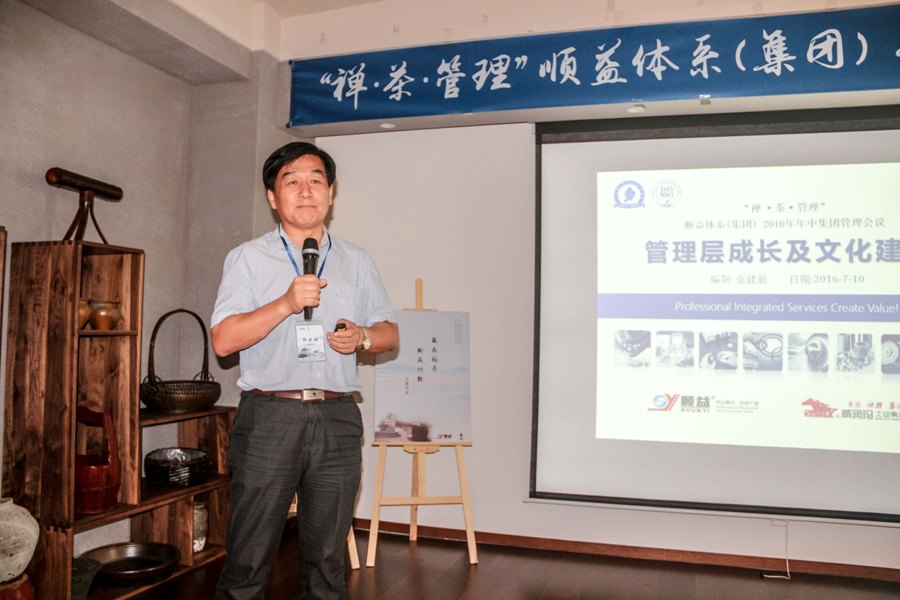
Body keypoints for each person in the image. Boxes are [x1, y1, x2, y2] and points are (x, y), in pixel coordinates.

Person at [211, 141, 398, 599]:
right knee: (249, 556)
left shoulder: (357, 260)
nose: (305, 190)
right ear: (272, 197)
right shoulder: (248, 258)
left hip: (337, 417)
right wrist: (286, 303)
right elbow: (223, 341)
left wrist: (363, 337)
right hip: (270, 417)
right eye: (291, 181)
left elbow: (389, 333)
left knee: (328, 560)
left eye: (316, 180)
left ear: (330, 193)